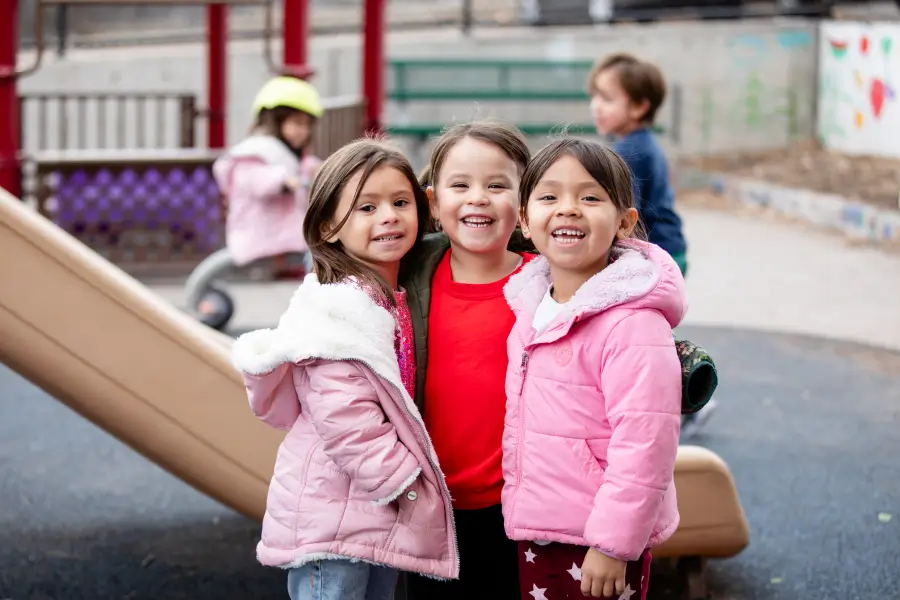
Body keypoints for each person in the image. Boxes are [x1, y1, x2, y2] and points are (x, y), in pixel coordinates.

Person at [230, 138, 459, 600]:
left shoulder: (389, 296)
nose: (388, 216)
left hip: (369, 510)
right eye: (366, 208)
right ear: (329, 227)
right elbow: (346, 419)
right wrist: (405, 487)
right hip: (337, 510)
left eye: (400, 203)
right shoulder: (337, 310)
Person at [503, 139, 682, 600]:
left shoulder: (633, 324)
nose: (568, 209)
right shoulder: (530, 309)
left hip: (598, 538)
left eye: (589, 197)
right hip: (542, 525)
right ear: (524, 219)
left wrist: (613, 543)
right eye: (549, 196)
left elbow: (646, 442)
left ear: (624, 222)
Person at [401, 121, 534, 600]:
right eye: (460, 185)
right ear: (434, 204)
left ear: (524, 205)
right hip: (429, 506)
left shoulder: (549, 284)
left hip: (521, 507)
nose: (478, 198)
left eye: (496, 186)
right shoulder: (406, 276)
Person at [587, 53, 717, 436]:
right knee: (646, 333)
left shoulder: (630, 153)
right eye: (594, 96)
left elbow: (617, 216)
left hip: (655, 257)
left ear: (639, 106)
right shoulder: (639, 145)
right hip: (667, 251)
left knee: (642, 334)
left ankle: (683, 396)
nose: (596, 106)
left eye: (607, 98)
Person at [184, 75, 324, 320]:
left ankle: (322, 299)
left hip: (283, 231)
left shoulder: (290, 153)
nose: (303, 131)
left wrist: (320, 170)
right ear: (274, 121)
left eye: (306, 125)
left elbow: (304, 168)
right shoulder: (255, 152)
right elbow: (252, 179)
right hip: (260, 230)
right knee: (315, 254)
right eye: (296, 123)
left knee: (318, 253)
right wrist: (282, 180)